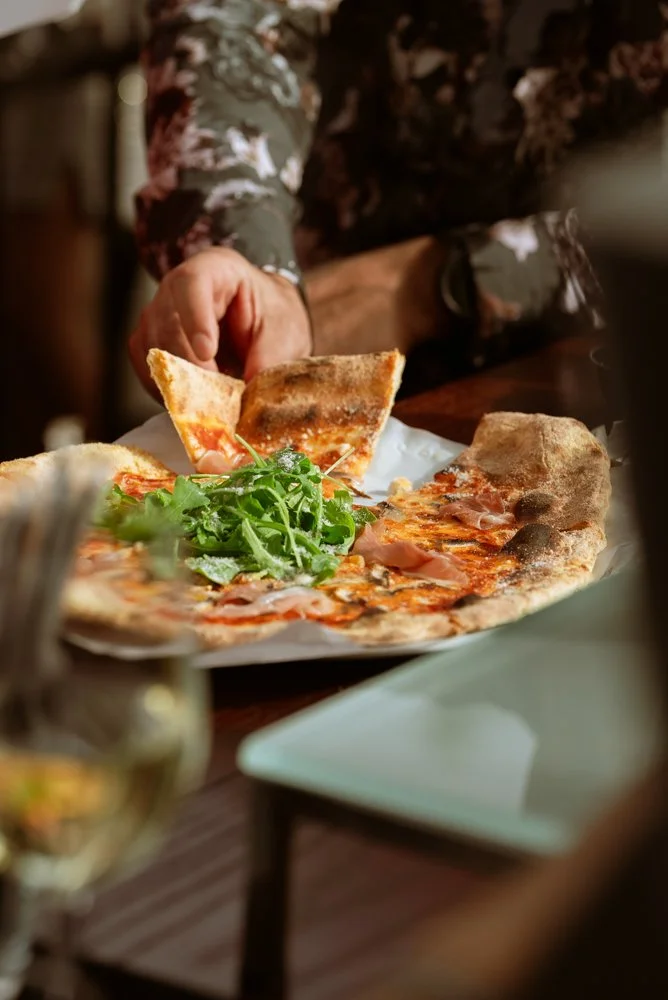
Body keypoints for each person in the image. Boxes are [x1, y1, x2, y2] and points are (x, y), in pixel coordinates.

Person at [130, 0, 668, 397]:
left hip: (610, 377)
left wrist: (430, 286)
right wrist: (246, 262)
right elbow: (229, 17)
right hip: (310, 366)